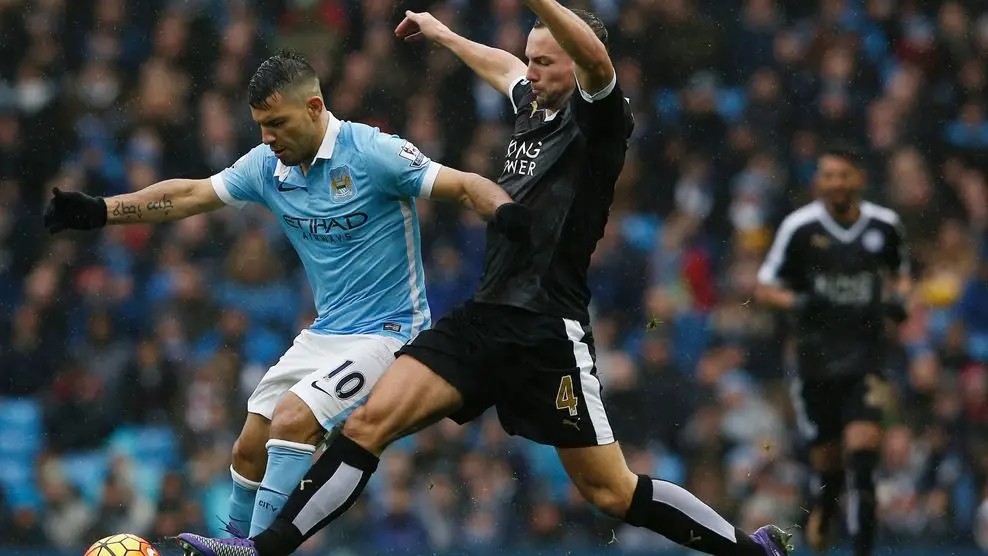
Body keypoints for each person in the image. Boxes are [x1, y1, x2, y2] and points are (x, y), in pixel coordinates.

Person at [176, 3, 792, 556]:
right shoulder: (534, 103)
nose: (531, 72)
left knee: (612, 492)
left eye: (545, 62)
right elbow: (503, 67)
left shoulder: (600, 117)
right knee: (366, 425)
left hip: (547, 330)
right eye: (531, 58)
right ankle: (261, 550)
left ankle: (751, 551)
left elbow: (597, 60)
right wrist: (444, 34)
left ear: (576, 64)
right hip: (483, 317)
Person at [43, 50, 530, 540]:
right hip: (326, 332)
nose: (266, 138)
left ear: (314, 107)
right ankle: (234, 543)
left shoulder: (372, 152)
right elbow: (190, 195)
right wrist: (102, 210)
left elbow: (464, 185)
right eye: (260, 125)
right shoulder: (268, 167)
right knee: (249, 447)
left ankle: (256, 551)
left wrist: (505, 212)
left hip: (390, 331)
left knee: (294, 418)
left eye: (276, 123)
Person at [753, 148, 910, 556]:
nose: (837, 183)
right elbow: (764, 287)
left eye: (844, 174)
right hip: (816, 362)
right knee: (831, 469)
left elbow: (900, 276)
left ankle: (863, 550)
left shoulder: (885, 226)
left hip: (866, 357)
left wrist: (898, 301)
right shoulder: (799, 228)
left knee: (863, 458)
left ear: (859, 179)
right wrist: (798, 302)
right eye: (829, 175)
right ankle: (825, 503)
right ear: (818, 182)